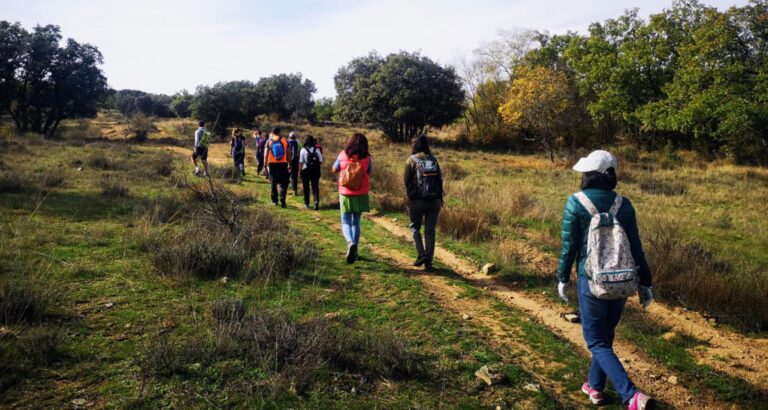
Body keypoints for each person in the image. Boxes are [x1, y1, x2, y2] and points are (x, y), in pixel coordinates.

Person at [556, 150, 655, 410]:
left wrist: (563, 278)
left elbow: (568, 246)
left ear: (590, 175)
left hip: (591, 281)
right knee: (605, 337)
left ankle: (631, 395)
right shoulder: (624, 204)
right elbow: (636, 247)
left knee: (597, 341)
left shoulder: (576, 202)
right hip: (622, 280)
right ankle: (595, 386)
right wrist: (645, 282)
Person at [404, 135, 444, 272]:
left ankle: (421, 255)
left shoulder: (411, 160)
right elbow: (440, 180)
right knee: (430, 231)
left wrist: (411, 196)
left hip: (418, 200)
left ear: (414, 146)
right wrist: (440, 199)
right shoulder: (434, 160)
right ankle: (429, 263)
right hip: (435, 201)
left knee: (414, 227)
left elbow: (406, 181)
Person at [332, 132, 372, 263]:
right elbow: (369, 172)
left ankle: (350, 243)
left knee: (346, 222)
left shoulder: (343, 154)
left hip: (345, 193)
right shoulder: (367, 158)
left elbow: (334, 169)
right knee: (356, 222)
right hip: (361, 193)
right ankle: (355, 251)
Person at [263, 127, 291, 208]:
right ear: (279, 132)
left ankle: (274, 201)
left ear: (272, 132)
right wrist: (290, 164)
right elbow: (288, 153)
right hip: (283, 164)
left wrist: (265, 165)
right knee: (284, 183)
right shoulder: (285, 140)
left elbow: (266, 155)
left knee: (273, 182)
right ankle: (283, 199)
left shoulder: (269, 141)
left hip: (272, 164)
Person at [299, 135, 323, 210]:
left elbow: (301, 162)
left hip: (305, 170)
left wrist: (299, 172)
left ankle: (306, 203)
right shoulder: (317, 150)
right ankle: (316, 202)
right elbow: (321, 161)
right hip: (316, 171)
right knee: (315, 187)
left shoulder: (303, 150)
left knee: (306, 187)